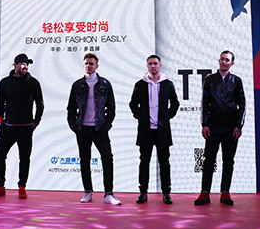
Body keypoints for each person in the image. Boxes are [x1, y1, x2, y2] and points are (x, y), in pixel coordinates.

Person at [0, 54, 44, 199]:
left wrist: (35, 122)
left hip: (26, 128)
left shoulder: (33, 83)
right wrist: (0, 120)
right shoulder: (5, 82)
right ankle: (0, 186)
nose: (25, 66)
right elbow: (0, 102)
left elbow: (40, 104)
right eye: (22, 63)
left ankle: (22, 187)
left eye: (27, 64)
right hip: (8, 127)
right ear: (15, 65)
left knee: (24, 158)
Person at [67, 53, 121, 205]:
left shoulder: (105, 84)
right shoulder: (77, 85)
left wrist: (107, 125)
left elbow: (111, 107)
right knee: (84, 160)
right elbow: (71, 107)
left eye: (91, 63)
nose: (88, 66)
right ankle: (87, 192)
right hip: (82, 129)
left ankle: (109, 194)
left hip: (99, 128)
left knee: (107, 158)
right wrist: (74, 125)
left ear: (97, 66)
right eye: (86, 63)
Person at [195, 50, 246, 206]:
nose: (224, 62)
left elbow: (242, 105)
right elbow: (204, 103)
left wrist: (239, 126)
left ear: (232, 63)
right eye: (222, 59)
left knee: (228, 160)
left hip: (231, 128)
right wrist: (205, 124)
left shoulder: (236, 81)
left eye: (227, 60)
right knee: (209, 160)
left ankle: (225, 192)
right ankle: (205, 192)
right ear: (219, 61)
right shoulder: (210, 80)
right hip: (213, 126)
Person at [129, 54, 179, 204]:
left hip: (162, 130)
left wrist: (166, 117)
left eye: (155, 63)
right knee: (144, 162)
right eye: (150, 64)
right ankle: (143, 192)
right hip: (146, 130)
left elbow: (175, 103)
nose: (153, 66)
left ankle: (166, 193)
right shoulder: (140, 84)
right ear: (147, 66)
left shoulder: (168, 84)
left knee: (164, 162)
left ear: (160, 65)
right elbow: (133, 104)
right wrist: (140, 117)